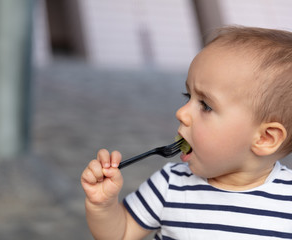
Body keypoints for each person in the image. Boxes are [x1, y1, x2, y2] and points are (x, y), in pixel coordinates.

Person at [80, 26, 292, 239]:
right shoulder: (170, 184)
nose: (181, 113)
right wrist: (102, 206)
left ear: (265, 138)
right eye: (187, 96)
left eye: (206, 105)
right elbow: (122, 233)